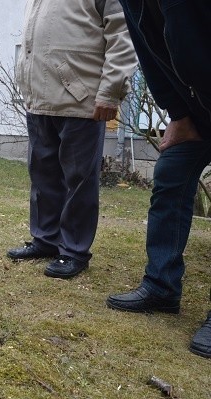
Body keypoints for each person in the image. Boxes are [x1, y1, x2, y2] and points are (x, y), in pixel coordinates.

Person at [106, 1, 211, 358]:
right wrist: (179, 113)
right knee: (171, 172)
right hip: (197, 110)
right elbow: (149, 54)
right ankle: (161, 286)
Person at [7, 0, 137, 279]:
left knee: (79, 181)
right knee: (42, 175)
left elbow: (123, 33)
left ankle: (74, 251)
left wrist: (111, 91)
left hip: (83, 100)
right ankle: (45, 240)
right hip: (39, 99)